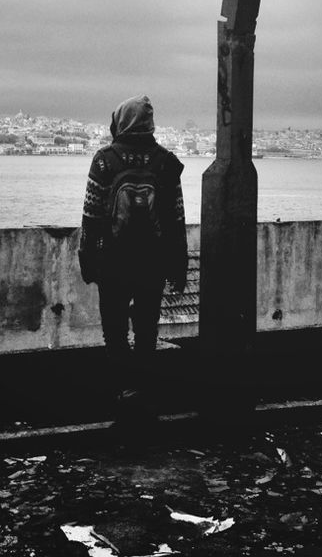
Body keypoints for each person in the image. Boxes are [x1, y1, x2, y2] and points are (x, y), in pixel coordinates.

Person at [78, 94, 188, 418]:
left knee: (114, 331)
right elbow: (176, 220)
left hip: (113, 262)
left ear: (121, 121)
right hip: (152, 264)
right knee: (146, 330)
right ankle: (143, 391)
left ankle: (123, 391)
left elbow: (91, 216)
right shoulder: (166, 163)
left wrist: (88, 260)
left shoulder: (104, 161)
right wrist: (178, 266)